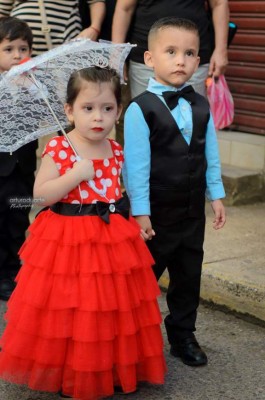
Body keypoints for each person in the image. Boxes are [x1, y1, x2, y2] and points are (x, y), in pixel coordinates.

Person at [0, 66, 166, 399]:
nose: (98, 118)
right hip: (68, 239)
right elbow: (40, 195)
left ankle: (112, 367)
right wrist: (75, 175)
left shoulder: (115, 150)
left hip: (110, 237)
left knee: (110, 306)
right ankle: (71, 371)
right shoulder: (60, 149)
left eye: (107, 109)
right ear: (69, 110)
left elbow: (116, 194)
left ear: (118, 112)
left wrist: (135, 220)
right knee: (72, 307)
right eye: (87, 108)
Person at [122, 17, 226, 367]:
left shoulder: (201, 104)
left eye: (189, 53)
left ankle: (182, 334)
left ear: (198, 62)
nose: (180, 60)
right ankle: (132, 337)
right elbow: (135, 167)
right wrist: (140, 211)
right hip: (155, 215)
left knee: (188, 275)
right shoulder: (140, 109)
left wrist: (217, 194)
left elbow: (209, 152)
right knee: (142, 279)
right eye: (171, 52)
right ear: (150, 59)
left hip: (191, 211)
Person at [112, 0, 229, 97]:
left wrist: (221, 50)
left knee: (193, 120)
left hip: (192, 61)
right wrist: (117, 53)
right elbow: (124, 9)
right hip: (147, 62)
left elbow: (219, 4)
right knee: (146, 117)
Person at [0, 16, 37, 301]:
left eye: (22, 49)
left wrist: (34, 88)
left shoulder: (33, 84)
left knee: (18, 220)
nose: (17, 55)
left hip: (23, 170)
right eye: (9, 49)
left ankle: (11, 272)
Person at [0, 0, 106, 56]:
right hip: (20, 48)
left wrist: (94, 28)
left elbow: (96, 2)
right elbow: (2, 11)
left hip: (66, 43)